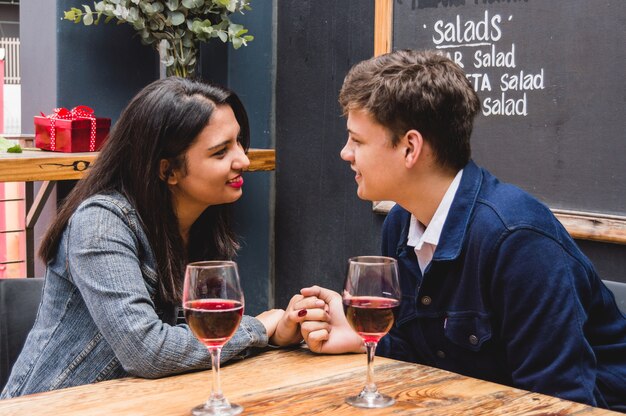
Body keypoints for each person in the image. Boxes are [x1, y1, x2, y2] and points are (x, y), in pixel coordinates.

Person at [298, 49, 626, 412]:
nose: (345, 153)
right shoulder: (401, 222)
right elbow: (425, 353)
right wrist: (361, 338)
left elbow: (560, 402)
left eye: (357, 140)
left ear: (410, 147)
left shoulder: (518, 239)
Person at [1, 77, 324, 398]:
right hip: (49, 407)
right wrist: (258, 328)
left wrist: (276, 333)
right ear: (167, 170)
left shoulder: (196, 223)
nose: (243, 160)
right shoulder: (100, 224)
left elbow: (191, 344)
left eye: (239, 142)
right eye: (220, 152)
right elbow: (148, 350)